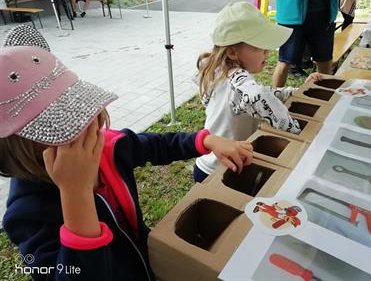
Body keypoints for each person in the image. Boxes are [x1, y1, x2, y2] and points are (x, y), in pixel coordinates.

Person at [0, 26, 253, 280]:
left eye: (83, 109)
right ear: (20, 148)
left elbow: (156, 145)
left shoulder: (107, 144)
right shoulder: (27, 213)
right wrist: (75, 194)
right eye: (64, 126)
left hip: (144, 261)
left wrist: (205, 140)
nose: (90, 125)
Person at [193, 2, 322, 183]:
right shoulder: (242, 84)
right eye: (258, 47)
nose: (267, 52)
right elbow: (258, 96)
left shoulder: (220, 71)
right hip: (220, 169)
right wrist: (300, 132)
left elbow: (266, 93)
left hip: (207, 164)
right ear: (232, 52)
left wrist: (300, 91)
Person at [264, 0, 341, 87]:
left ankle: (324, 101)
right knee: (285, 62)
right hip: (291, 17)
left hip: (324, 15)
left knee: (325, 62)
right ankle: (274, 100)